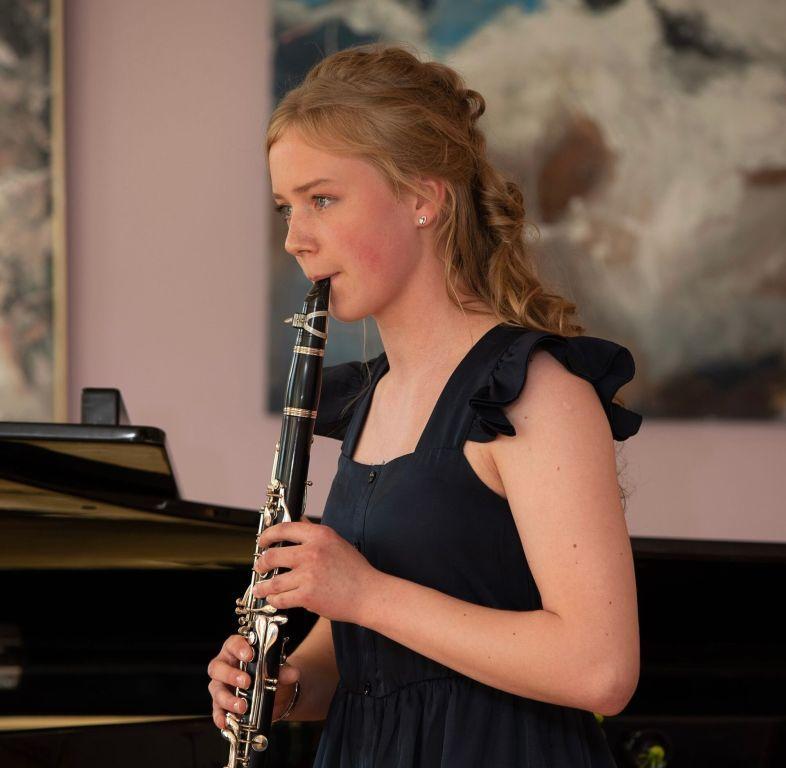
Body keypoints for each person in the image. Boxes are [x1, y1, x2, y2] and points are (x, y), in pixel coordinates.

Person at [207, 42, 643, 766]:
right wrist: (284, 686)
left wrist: (364, 593)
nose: (295, 239)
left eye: (322, 200)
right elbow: (373, 653)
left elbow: (601, 670)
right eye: (287, 208)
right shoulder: (372, 398)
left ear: (422, 199)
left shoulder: (536, 393)